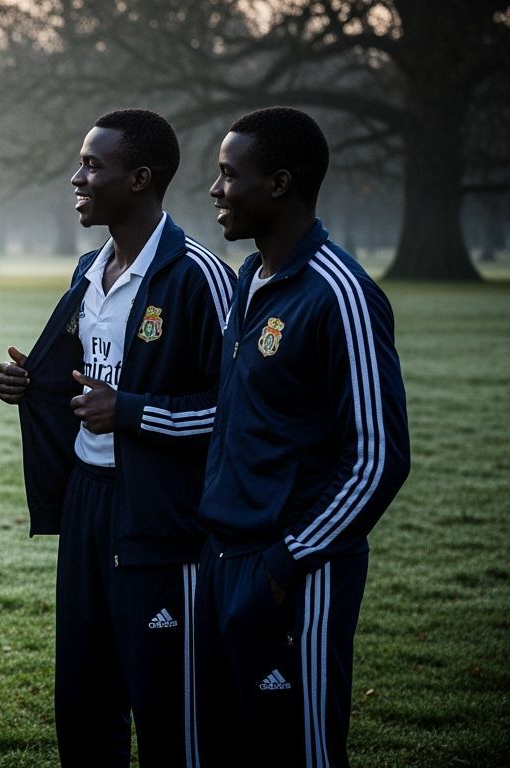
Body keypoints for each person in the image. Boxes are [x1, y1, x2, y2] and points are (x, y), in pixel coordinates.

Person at [0, 109, 235, 766]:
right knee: (83, 695)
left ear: (140, 178)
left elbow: (236, 412)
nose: (78, 177)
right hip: (87, 503)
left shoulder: (199, 277)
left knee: (167, 702)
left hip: (161, 515)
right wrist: (28, 384)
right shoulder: (86, 273)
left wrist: (130, 412)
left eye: (94, 165)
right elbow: (79, 382)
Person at [195, 107, 410, 767]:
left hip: (298, 572)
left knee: (304, 749)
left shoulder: (341, 294)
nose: (215, 189)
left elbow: (378, 460)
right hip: (226, 558)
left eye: (230, 175)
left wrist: (285, 566)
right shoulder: (248, 280)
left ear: (280, 184)